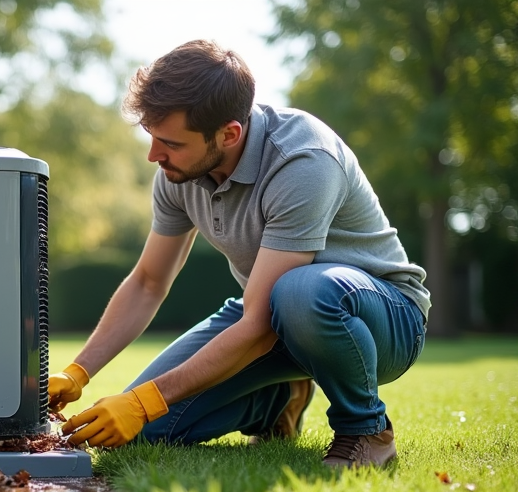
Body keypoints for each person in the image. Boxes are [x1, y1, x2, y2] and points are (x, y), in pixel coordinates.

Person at [52, 39, 430, 468]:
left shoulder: (304, 161)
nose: (154, 155)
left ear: (229, 133)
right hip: (269, 314)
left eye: (171, 143)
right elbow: (147, 282)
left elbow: (258, 323)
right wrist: (78, 372)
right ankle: (274, 400)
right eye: (152, 138)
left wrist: (141, 401)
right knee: (146, 432)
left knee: (300, 293)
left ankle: (365, 431)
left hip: (384, 320)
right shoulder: (177, 174)